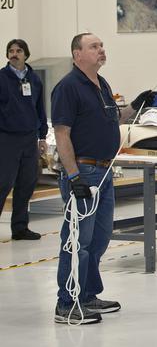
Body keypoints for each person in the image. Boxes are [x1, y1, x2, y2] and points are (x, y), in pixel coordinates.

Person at [51, 32, 140, 324]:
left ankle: (87, 294)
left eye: (101, 46)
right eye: (94, 47)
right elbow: (62, 134)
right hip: (84, 171)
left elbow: (114, 119)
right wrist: (74, 176)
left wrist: (137, 105)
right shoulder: (68, 87)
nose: (101, 50)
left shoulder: (102, 85)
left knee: (99, 238)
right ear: (77, 54)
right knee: (78, 240)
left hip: (105, 171)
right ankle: (66, 303)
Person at [1, 39, 47, 240]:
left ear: (25, 54)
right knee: (3, 183)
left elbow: (40, 109)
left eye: (18, 50)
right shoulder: (1, 78)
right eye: (10, 51)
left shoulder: (34, 80)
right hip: (7, 137)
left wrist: (42, 136)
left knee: (27, 183)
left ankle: (20, 228)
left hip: (29, 138)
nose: (14, 54)